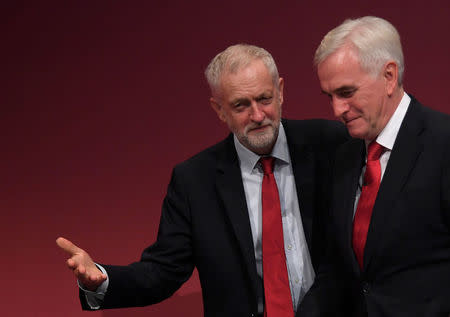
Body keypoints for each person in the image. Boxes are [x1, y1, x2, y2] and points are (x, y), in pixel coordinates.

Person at [57, 44, 348, 317]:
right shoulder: (195, 181)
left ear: (281, 91)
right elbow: (162, 271)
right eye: (240, 106)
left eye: (264, 99)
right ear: (219, 110)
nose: (258, 115)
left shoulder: (332, 146)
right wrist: (100, 280)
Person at [299, 16, 450, 317]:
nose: (336, 110)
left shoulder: (444, 144)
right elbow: (337, 270)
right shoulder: (344, 157)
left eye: (346, 92)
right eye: (329, 96)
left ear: (389, 76)